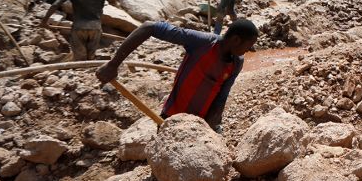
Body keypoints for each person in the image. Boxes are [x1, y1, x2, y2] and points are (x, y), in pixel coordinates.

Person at [96, 19, 258, 130]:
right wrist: (113, 64)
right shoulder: (202, 42)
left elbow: (221, 96)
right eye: (249, 45)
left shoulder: (237, 62)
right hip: (171, 119)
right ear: (236, 40)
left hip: (197, 126)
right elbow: (149, 27)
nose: (250, 50)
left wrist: (211, 129)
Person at [40, 0, 120, 61]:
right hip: (96, 27)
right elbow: (100, 10)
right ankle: (88, 73)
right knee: (90, 57)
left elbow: (55, 5)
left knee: (79, 58)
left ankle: (78, 73)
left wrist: (44, 21)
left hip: (79, 26)